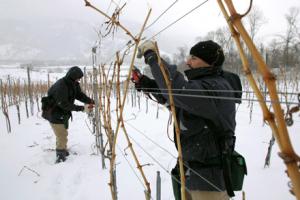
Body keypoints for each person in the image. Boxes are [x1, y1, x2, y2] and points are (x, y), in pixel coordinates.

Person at [132, 40, 242, 200]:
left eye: (194, 58)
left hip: (209, 181)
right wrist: (147, 84)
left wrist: (152, 57)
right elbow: (179, 101)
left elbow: (176, 89)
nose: (187, 62)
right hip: (194, 172)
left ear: (209, 62)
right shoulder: (204, 85)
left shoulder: (215, 87)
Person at [45, 66, 95, 163]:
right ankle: (60, 156)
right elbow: (63, 104)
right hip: (54, 113)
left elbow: (79, 95)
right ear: (73, 76)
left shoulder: (73, 84)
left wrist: (90, 101)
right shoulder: (61, 86)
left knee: (62, 133)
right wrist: (81, 108)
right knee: (62, 135)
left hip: (62, 114)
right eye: (78, 77)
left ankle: (62, 149)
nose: (79, 80)